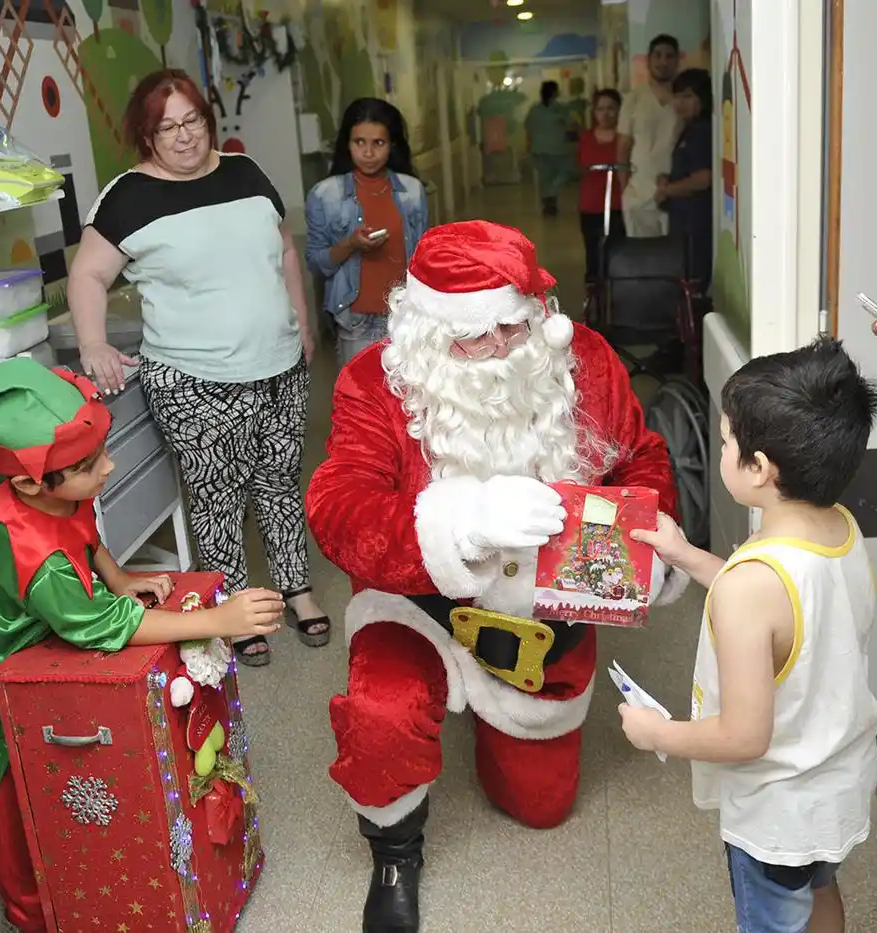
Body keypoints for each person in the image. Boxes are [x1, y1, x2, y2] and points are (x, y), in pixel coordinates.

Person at [305, 220, 687, 933]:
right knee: (382, 717)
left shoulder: (586, 363)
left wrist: (647, 544)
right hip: (415, 602)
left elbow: (640, 456)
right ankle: (394, 848)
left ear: (535, 314)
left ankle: (493, 726)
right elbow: (337, 508)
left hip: (540, 616)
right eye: (472, 338)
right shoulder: (375, 381)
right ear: (426, 331)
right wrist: (466, 522)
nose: (496, 352)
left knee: (543, 808)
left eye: (511, 330)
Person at [0, 358, 284, 932]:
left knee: (54, 795)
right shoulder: (32, 556)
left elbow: (83, 528)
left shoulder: (53, 494)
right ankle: (31, 916)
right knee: (12, 815)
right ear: (26, 481)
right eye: (89, 464)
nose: (109, 466)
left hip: (42, 640)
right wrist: (217, 618)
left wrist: (119, 577)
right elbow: (102, 625)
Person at [621, 337, 877, 933]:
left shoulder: (751, 587)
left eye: (725, 442)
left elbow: (744, 735)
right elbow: (789, 620)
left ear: (759, 468)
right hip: (835, 781)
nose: (721, 451)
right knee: (822, 888)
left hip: (777, 813)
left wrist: (657, 732)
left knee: (770, 918)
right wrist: (687, 556)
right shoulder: (837, 529)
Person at [69, 68, 329, 667]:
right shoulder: (127, 197)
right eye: (167, 128)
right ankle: (231, 604)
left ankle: (296, 587)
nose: (184, 137)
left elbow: (285, 250)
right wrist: (92, 343)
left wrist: (301, 318)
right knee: (216, 493)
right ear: (146, 135)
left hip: (279, 364)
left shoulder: (245, 171)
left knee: (280, 482)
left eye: (192, 121)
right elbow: (88, 275)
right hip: (194, 379)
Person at [305, 97, 428, 367]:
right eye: (359, 142)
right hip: (355, 320)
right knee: (363, 405)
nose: (368, 153)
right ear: (347, 144)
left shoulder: (413, 192)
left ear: (392, 144)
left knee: (408, 404)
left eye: (378, 143)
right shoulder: (326, 195)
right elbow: (316, 263)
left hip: (406, 315)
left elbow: (423, 258)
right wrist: (350, 244)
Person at [618, 34, 682, 237]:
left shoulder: (684, 98)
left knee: (677, 260)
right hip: (640, 193)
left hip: (677, 191)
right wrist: (625, 189)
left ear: (678, 60)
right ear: (648, 60)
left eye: (670, 56)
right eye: (658, 55)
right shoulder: (634, 98)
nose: (663, 62)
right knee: (643, 260)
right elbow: (623, 147)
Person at [657, 68, 715, 291]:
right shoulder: (688, 129)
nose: (680, 103)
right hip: (683, 220)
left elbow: (703, 179)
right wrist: (667, 180)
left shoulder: (702, 130)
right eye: (677, 96)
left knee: (692, 282)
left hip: (695, 222)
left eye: (688, 96)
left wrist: (668, 190)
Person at [577, 88, 627, 283]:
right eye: (600, 109)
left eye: (610, 108)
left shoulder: (624, 138)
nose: (605, 114)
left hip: (619, 203)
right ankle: (593, 289)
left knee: (617, 249)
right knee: (593, 250)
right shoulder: (586, 138)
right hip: (591, 204)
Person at [524, 80, 573, 217]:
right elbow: (570, 124)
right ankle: (550, 201)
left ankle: (549, 201)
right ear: (555, 92)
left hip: (539, 149)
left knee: (546, 178)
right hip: (557, 149)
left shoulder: (534, 109)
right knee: (564, 172)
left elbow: (528, 127)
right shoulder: (561, 109)